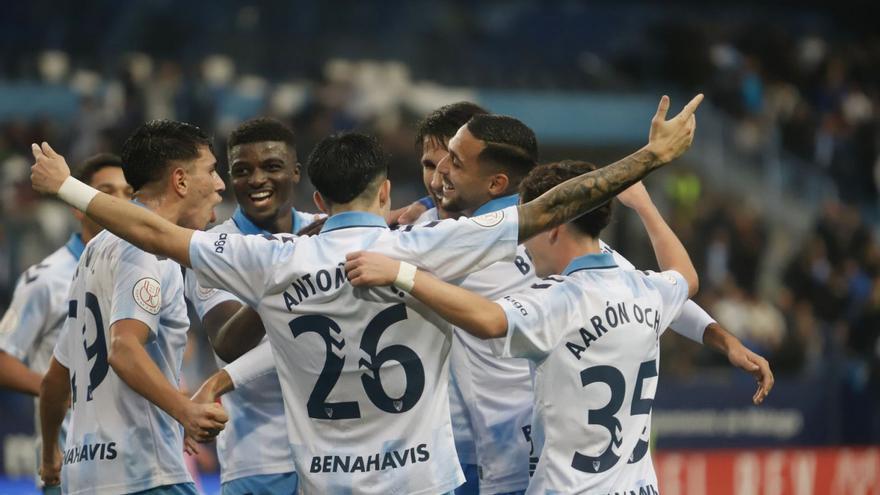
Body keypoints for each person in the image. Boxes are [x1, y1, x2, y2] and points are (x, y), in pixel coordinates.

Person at [31, 94, 702, 493]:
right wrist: (648, 159)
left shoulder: (271, 260)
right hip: (422, 479)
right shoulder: (425, 245)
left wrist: (68, 186)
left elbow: (153, 230)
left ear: (315, 197)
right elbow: (549, 206)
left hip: (324, 480)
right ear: (385, 193)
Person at [416, 102, 771, 494]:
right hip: (485, 450)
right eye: (431, 165)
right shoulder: (433, 233)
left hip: (534, 462)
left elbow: (491, 319)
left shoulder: (553, 269)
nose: (439, 176)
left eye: (451, 162)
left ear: (496, 182)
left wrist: (722, 338)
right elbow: (673, 284)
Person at [343, 160, 699, 494]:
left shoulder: (560, 300)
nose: (524, 246)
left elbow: (488, 320)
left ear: (554, 226)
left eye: (530, 227)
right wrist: (645, 206)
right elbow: (686, 277)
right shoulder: (646, 289)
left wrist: (402, 274)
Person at [37, 121, 229, 495]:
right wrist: (184, 411)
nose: (221, 185)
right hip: (144, 474)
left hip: (83, 475)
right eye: (211, 170)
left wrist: (49, 457)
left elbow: (55, 381)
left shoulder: (93, 252)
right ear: (180, 181)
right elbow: (123, 350)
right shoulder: (145, 250)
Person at [185, 118, 318, 494]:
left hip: (337, 452)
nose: (256, 179)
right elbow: (228, 344)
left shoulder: (324, 232)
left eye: (271, 167)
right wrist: (288, 268)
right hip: (258, 458)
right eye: (243, 170)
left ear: (295, 172)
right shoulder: (211, 248)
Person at [0, 154, 132, 494]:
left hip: (133, 463)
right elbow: (3, 360)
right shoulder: (46, 279)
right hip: (68, 465)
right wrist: (58, 389)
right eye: (105, 191)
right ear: (77, 205)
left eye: (126, 193)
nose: (115, 202)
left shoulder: (140, 270)